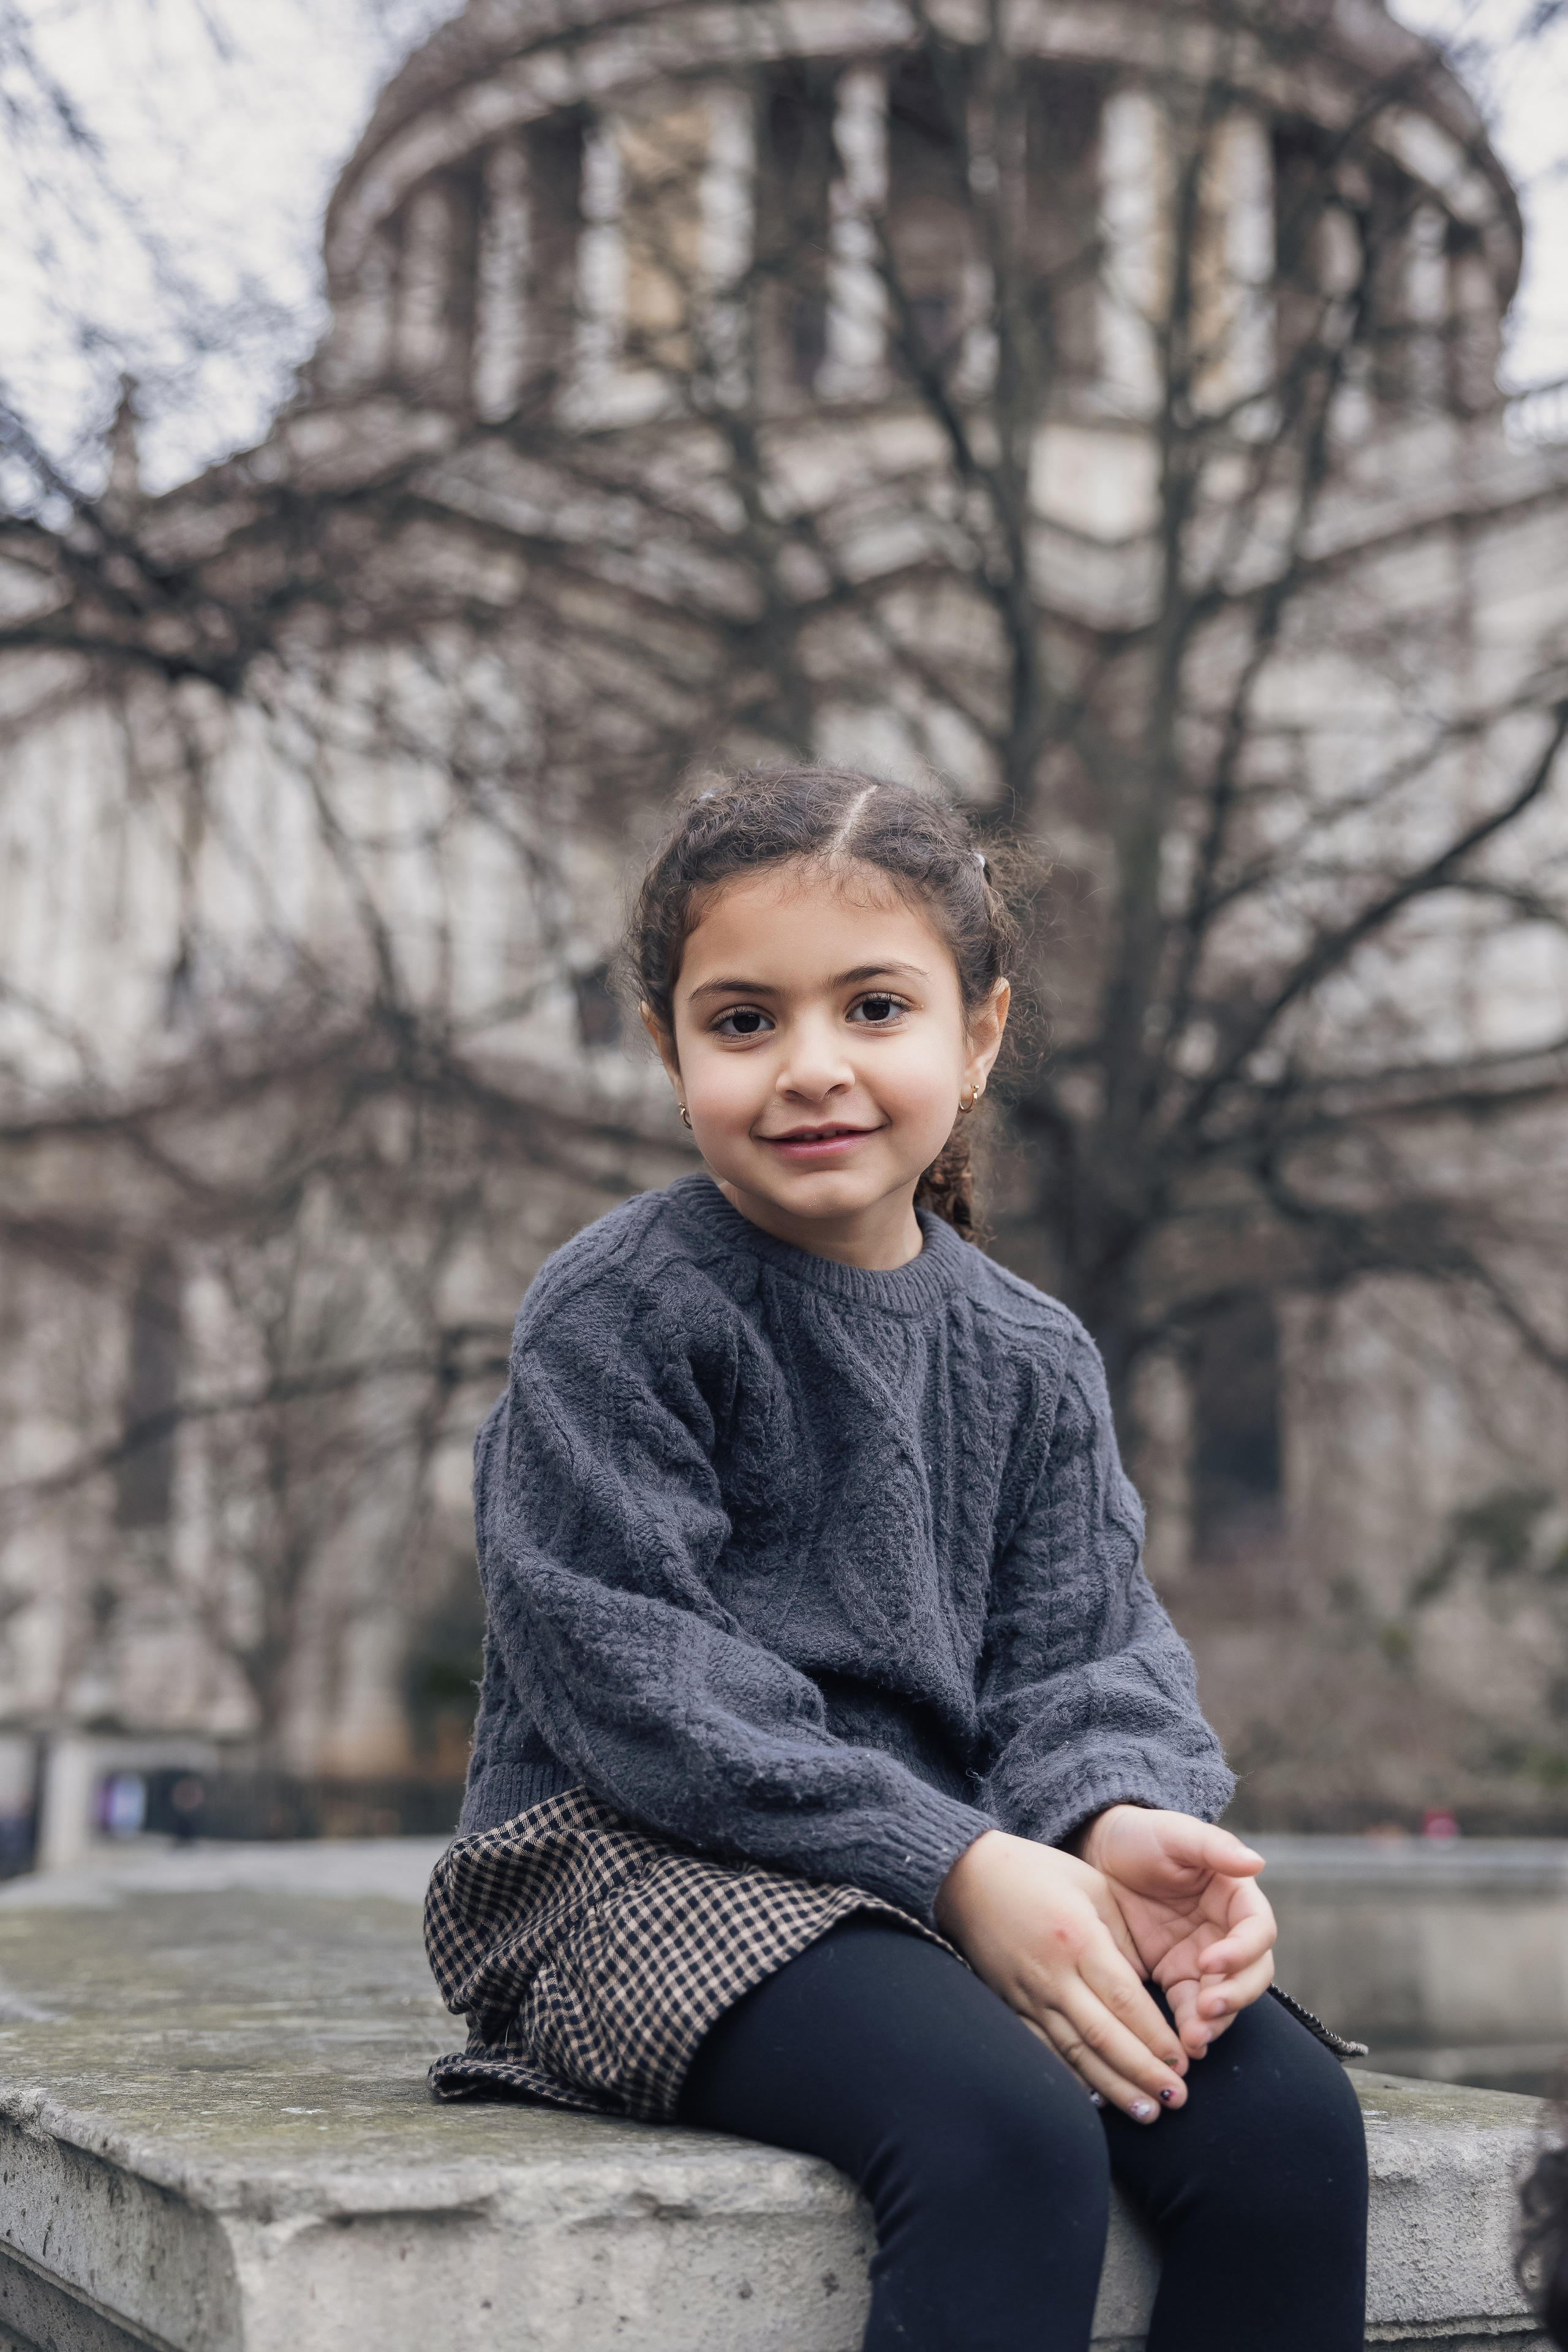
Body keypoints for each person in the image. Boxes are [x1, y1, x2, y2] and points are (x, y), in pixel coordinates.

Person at [424, 766, 1369, 2352]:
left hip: (943, 1875)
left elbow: (1090, 1658)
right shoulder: (621, 1311)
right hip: (630, 1867)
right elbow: (640, 1685)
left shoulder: (1031, 1357)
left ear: (979, 1035)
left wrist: (1120, 1822)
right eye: (743, 1022)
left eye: (874, 1008)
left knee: (1286, 2126)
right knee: (1001, 2128)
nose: (812, 1069)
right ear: (667, 1051)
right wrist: (960, 1864)